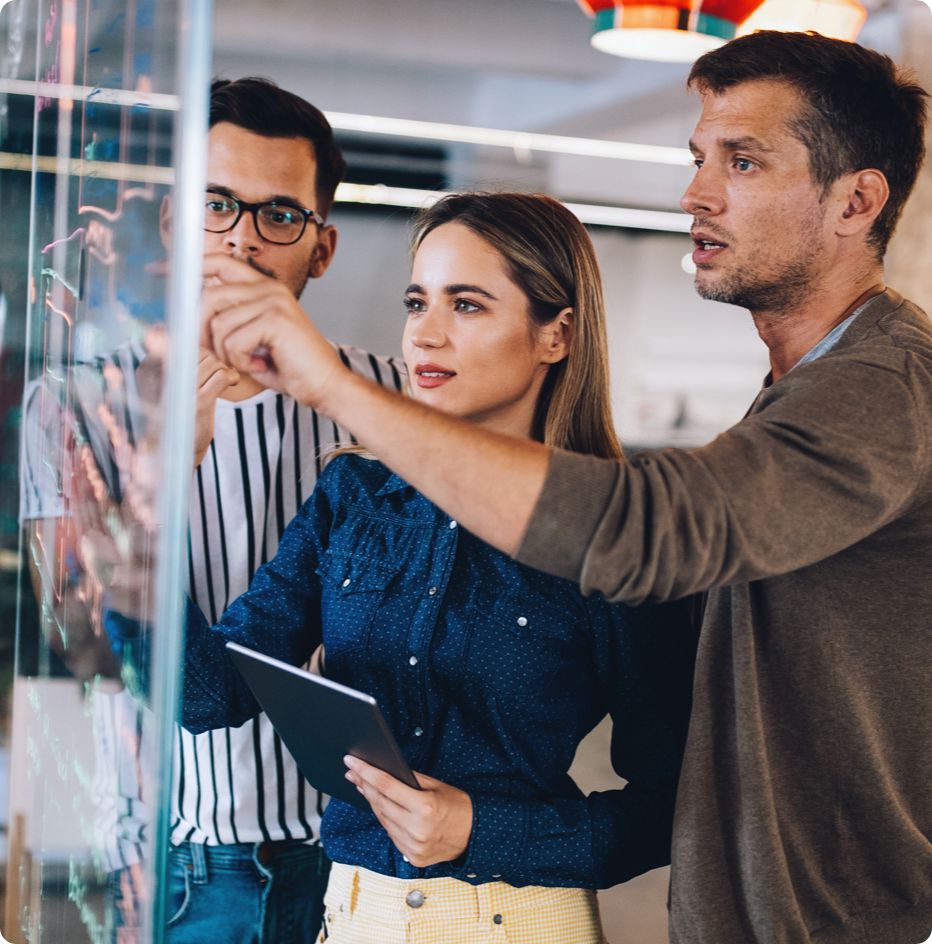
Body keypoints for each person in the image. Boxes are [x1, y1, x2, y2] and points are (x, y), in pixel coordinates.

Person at [199, 32, 932, 944]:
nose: (696, 192)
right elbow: (211, 690)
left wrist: (334, 385)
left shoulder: (878, 388)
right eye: (699, 158)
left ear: (857, 200)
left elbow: (650, 531)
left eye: (742, 161)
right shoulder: (798, 393)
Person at [181, 192, 696, 944]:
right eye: (417, 301)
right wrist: (140, 542)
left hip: (518, 923)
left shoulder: (611, 531)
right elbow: (209, 695)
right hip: (350, 917)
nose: (425, 334)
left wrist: (480, 830)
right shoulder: (352, 496)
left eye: (467, 305)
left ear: (557, 335)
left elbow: (672, 806)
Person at [22, 77, 405, 943]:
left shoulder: (385, 398)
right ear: (170, 222)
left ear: (323, 247)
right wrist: (151, 484)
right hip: (166, 854)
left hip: (355, 847)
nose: (241, 237)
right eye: (215, 203)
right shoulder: (78, 402)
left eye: (279, 215)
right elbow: (71, 644)